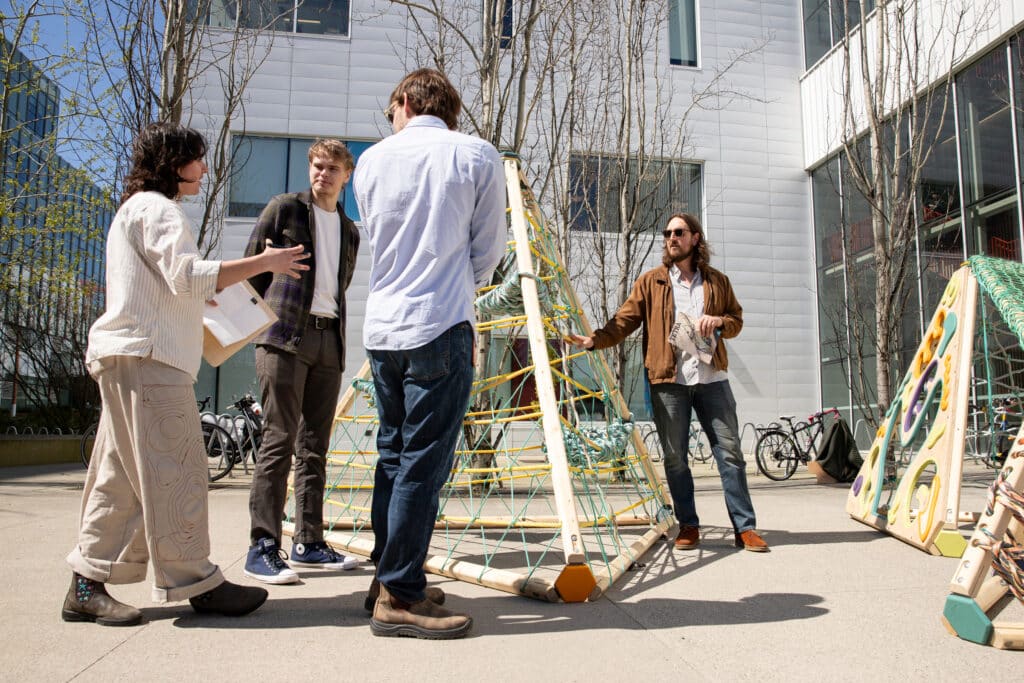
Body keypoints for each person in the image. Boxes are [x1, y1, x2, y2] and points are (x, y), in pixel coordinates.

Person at [64, 122, 310, 626]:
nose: (203, 168)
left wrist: (208, 288)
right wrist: (266, 261)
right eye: (196, 159)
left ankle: (85, 586)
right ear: (174, 163)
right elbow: (186, 275)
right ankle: (200, 582)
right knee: (180, 472)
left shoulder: (133, 210)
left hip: (126, 356)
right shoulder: (160, 209)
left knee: (120, 479)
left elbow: (170, 285)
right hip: (150, 362)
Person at [353, 68, 506, 639]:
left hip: (384, 328)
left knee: (393, 455)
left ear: (408, 101)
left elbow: (378, 238)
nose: (389, 116)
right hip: (438, 322)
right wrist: (453, 286)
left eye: (392, 106)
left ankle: (389, 579)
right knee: (422, 462)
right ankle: (402, 594)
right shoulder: (474, 154)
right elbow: (487, 251)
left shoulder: (371, 161)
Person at [568, 213, 769, 553]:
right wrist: (595, 340)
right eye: (667, 233)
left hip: (712, 379)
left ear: (695, 238)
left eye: (678, 232)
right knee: (676, 458)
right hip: (668, 381)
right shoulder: (652, 282)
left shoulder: (717, 282)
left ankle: (744, 528)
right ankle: (688, 526)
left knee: (731, 454)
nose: (671, 238)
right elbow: (625, 321)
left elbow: (736, 321)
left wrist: (719, 320)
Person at [242, 139, 361, 584]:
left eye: (332, 168)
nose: (322, 174)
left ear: (346, 176)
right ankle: (263, 546)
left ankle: (309, 542)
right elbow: (252, 272)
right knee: (278, 440)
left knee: (314, 448)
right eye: (316, 166)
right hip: (284, 337)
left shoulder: (350, 230)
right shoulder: (284, 210)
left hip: (329, 340)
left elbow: (340, 285)